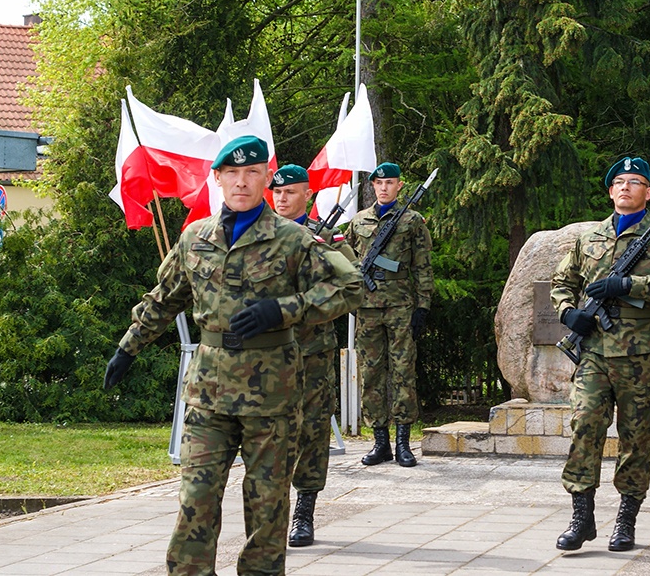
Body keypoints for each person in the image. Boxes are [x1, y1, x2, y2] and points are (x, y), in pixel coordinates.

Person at [103, 136, 363, 576]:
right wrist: (128, 346)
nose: (242, 182)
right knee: (195, 502)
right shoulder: (195, 238)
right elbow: (164, 299)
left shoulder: (294, 239)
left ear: (264, 177)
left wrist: (284, 309)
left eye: (252, 173)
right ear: (218, 178)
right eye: (233, 174)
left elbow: (350, 286)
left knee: (266, 510)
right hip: (209, 393)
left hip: (272, 398)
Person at [550, 156, 650, 552]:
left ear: (648, 193)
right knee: (584, 426)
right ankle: (582, 518)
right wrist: (569, 312)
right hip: (595, 351)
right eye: (619, 182)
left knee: (636, 438)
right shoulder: (589, 238)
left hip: (641, 354)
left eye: (634, 182)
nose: (625, 188)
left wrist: (630, 284)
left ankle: (626, 520)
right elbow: (562, 280)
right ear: (610, 190)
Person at [269, 163, 357, 547]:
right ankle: (271, 511)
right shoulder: (259, 238)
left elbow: (351, 288)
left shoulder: (329, 241)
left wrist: (305, 308)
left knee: (312, 431)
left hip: (312, 353)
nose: (282, 199)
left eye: (290, 192)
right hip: (267, 354)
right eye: (277, 192)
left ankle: (304, 511)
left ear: (307, 194)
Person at [347, 162, 433, 468]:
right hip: (367, 309)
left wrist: (422, 306)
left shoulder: (411, 221)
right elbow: (347, 261)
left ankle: (403, 443)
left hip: (399, 307)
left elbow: (422, 265)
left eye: (390, 183)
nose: (384, 188)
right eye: (379, 183)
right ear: (372, 186)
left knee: (402, 373)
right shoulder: (358, 221)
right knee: (371, 374)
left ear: (399, 186)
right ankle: (380, 442)